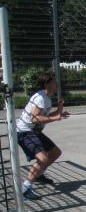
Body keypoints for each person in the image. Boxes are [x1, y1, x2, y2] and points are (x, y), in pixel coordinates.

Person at [15, 72, 70, 200]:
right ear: (47, 84)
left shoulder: (46, 98)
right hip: (24, 131)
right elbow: (35, 118)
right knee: (43, 159)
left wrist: (59, 110)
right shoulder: (40, 97)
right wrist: (56, 117)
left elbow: (45, 115)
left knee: (55, 152)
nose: (57, 84)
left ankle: (39, 174)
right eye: (54, 82)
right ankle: (25, 188)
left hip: (34, 132)